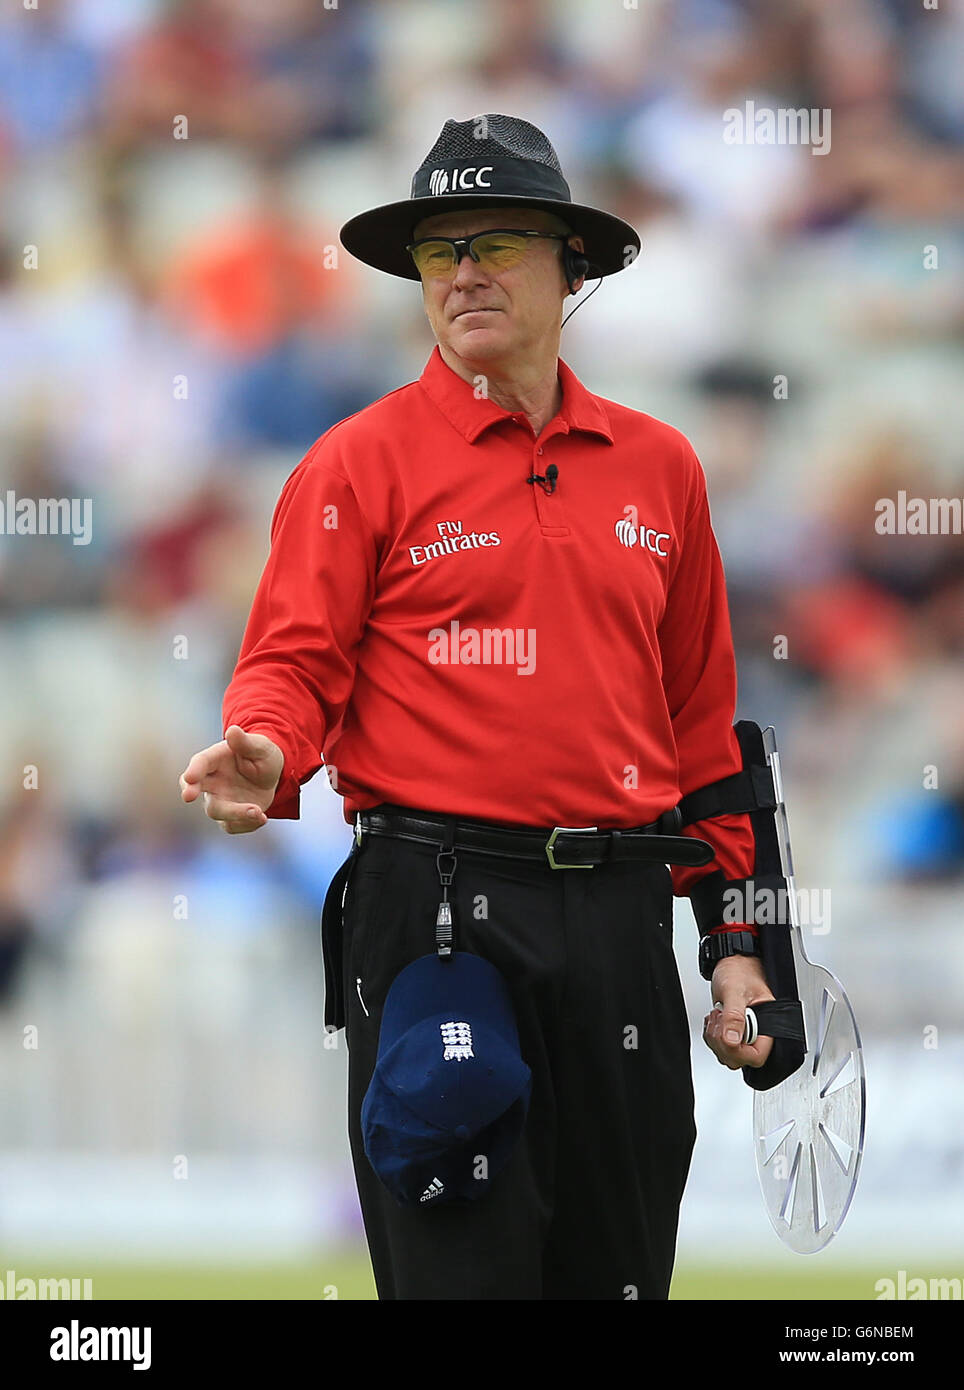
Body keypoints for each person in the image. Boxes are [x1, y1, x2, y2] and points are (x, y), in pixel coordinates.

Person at [179, 114, 777, 1300]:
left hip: (619, 923)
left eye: (493, 243)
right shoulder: (355, 463)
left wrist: (738, 942)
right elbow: (291, 662)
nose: (459, 274)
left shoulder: (663, 469)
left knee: (617, 1282)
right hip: (437, 916)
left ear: (573, 265)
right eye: (438, 251)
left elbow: (704, 729)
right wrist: (266, 750)